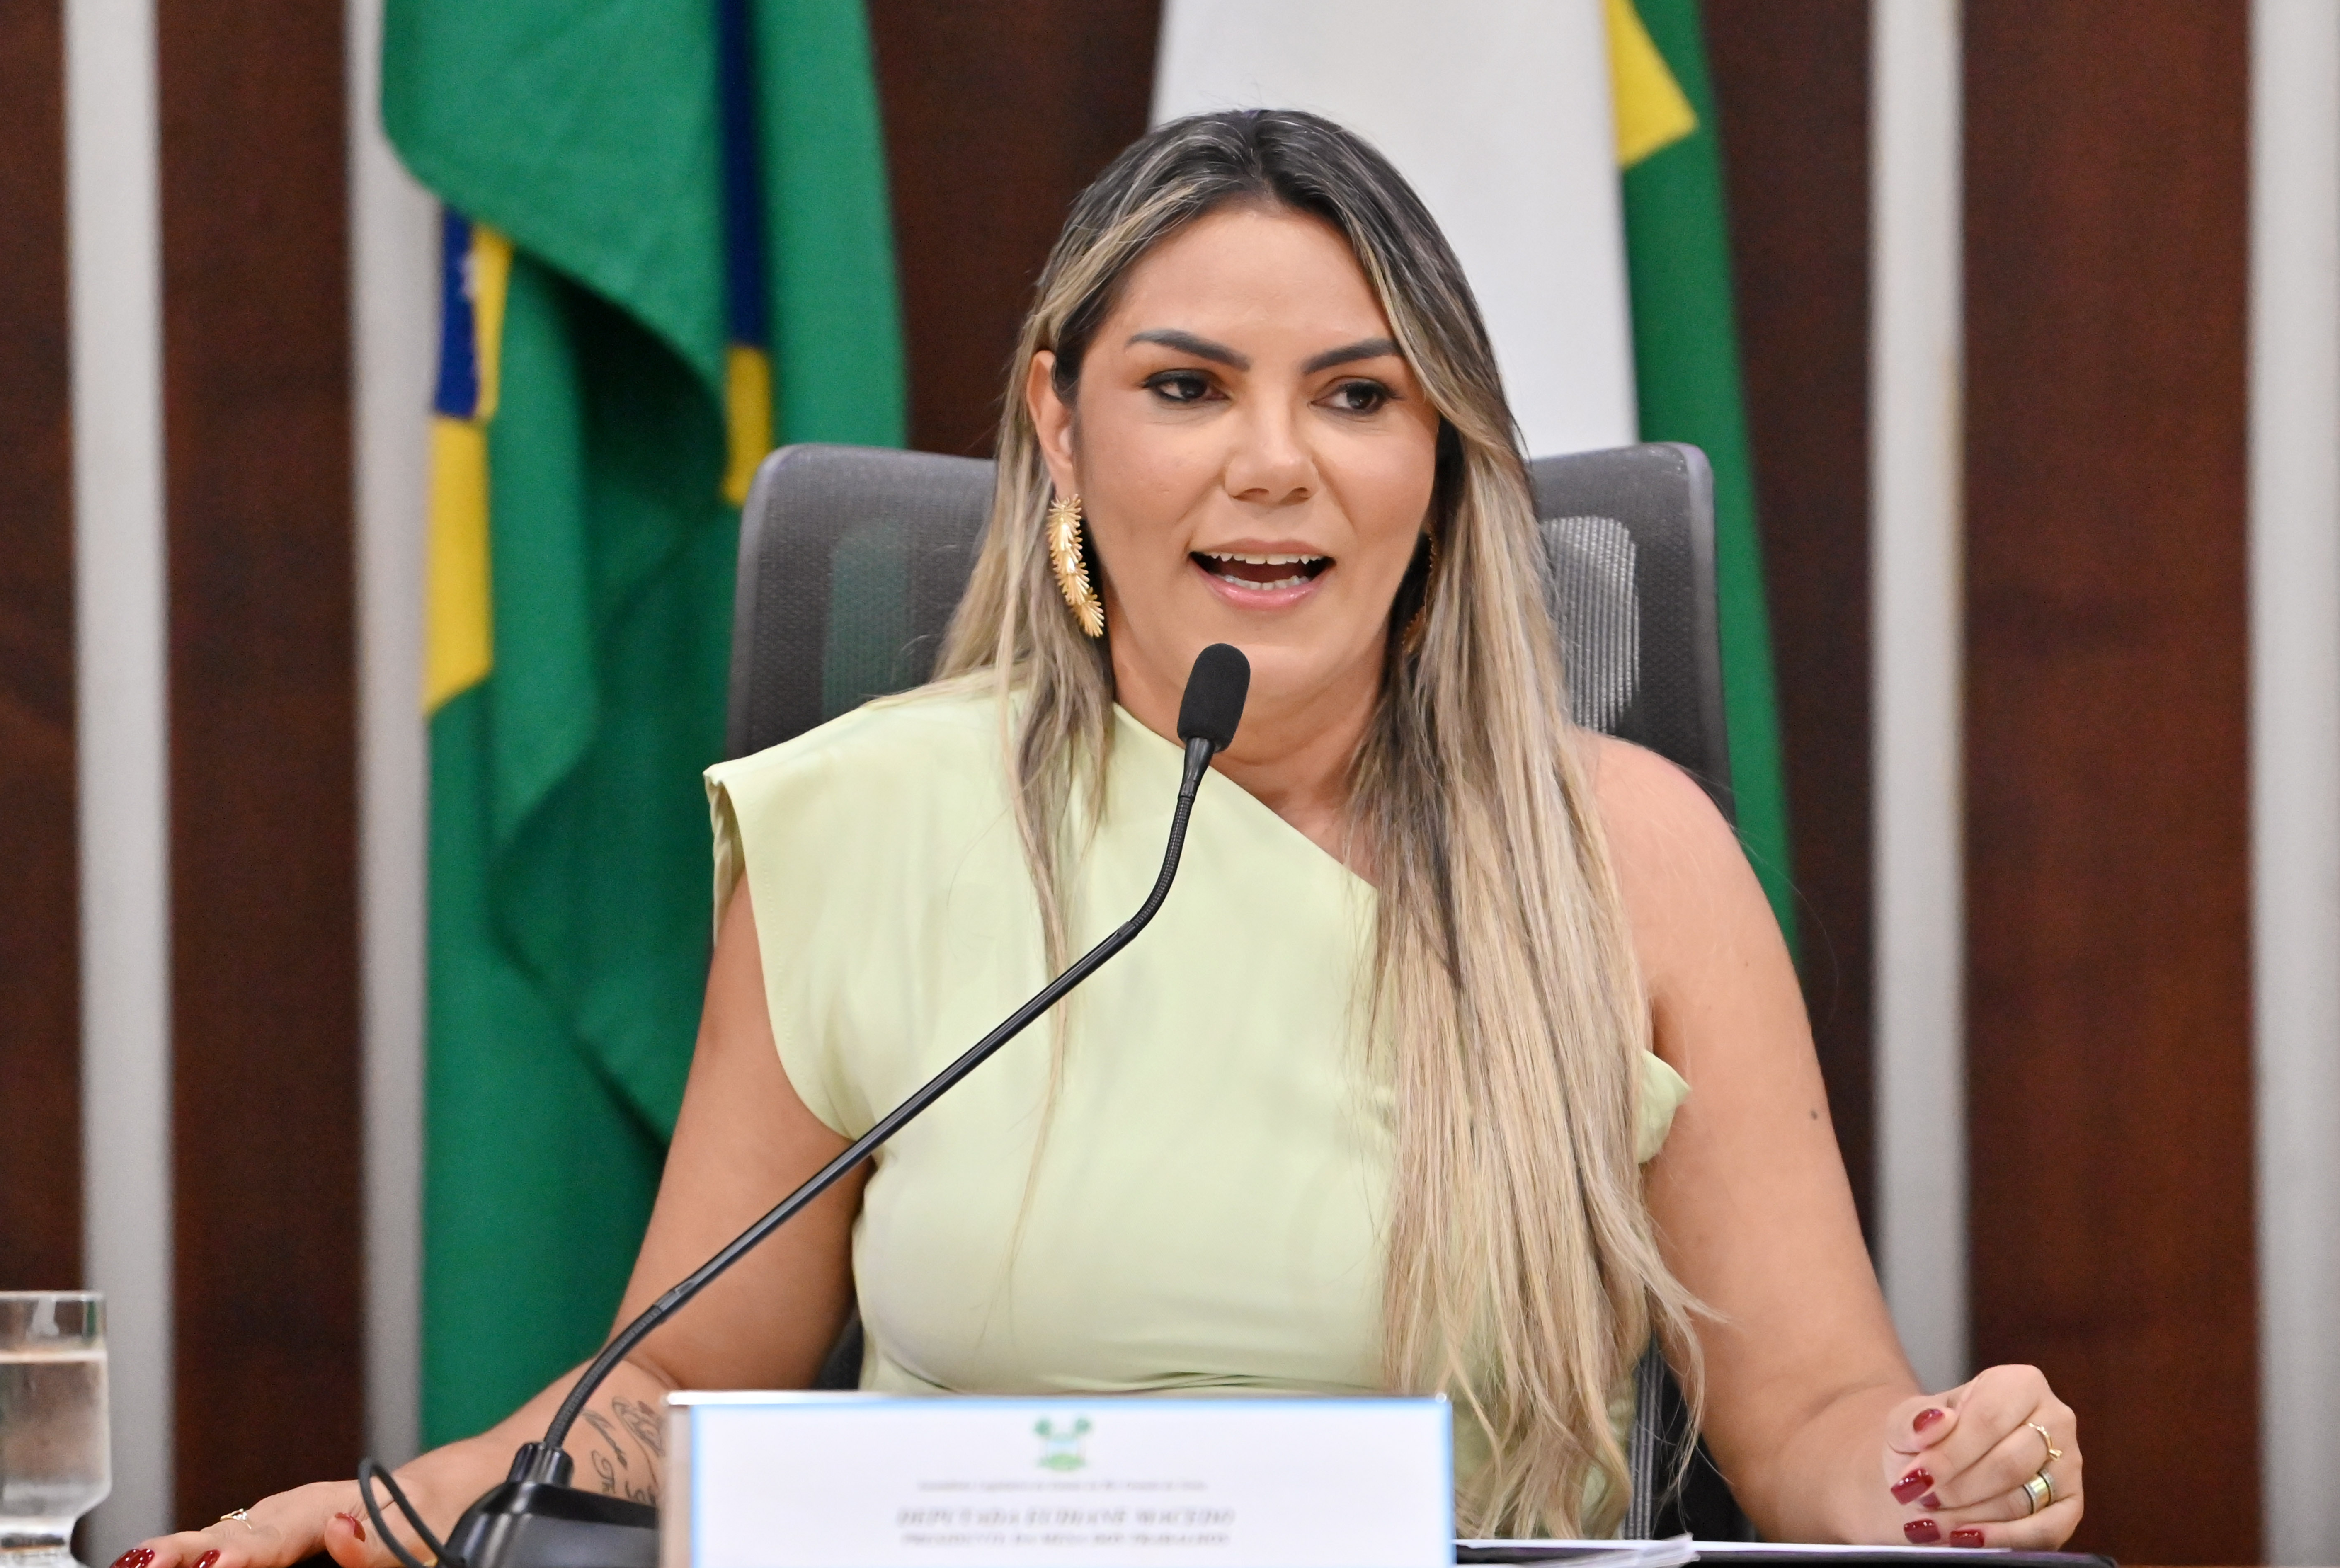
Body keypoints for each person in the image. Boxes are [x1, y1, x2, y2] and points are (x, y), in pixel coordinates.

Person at [121, 110, 2080, 1567]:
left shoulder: (1628, 855)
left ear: (1439, 460)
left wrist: (1944, 1473)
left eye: (1357, 396)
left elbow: (1809, 1418)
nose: (1272, 463)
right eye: (1186, 388)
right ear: (1061, 428)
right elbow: (685, 1382)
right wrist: (392, 1510)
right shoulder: (869, 822)